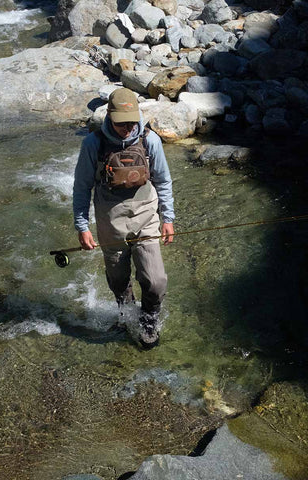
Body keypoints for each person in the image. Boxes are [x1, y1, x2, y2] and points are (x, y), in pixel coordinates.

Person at [73, 88, 175, 349]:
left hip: (146, 216)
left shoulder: (150, 141)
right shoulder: (93, 144)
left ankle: (149, 319)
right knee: (118, 279)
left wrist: (168, 218)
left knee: (156, 280)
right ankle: (126, 312)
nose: (128, 128)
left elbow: (163, 181)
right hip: (110, 220)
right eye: (122, 123)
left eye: (132, 121)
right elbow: (82, 187)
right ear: (110, 116)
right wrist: (82, 226)